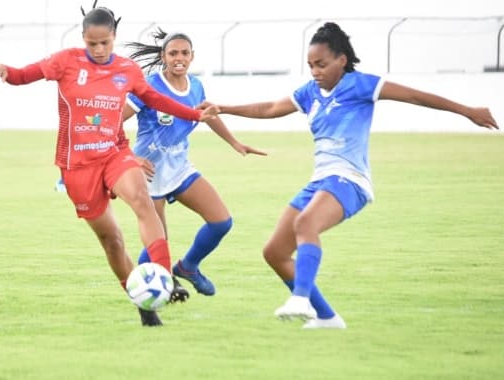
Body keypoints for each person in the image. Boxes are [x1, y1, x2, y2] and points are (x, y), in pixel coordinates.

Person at [205, 22, 499, 329]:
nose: (315, 71)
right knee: (274, 252)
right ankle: (328, 319)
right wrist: (224, 108)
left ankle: (301, 299)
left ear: (341, 60)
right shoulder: (310, 93)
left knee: (305, 223)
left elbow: (414, 97)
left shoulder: (360, 85)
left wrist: (467, 111)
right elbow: (271, 107)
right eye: (310, 65)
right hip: (320, 182)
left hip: (350, 181)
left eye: (321, 64)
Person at [0, 4, 220, 327]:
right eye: (92, 43)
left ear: (114, 38)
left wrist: (195, 114)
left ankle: (163, 277)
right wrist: (4, 69)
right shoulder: (65, 61)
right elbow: (25, 76)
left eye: (105, 43)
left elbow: (154, 99)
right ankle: (143, 303)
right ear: (83, 38)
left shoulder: (127, 70)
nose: (98, 49)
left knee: (141, 200)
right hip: (77, 166)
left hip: (114, 153)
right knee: (112, 241)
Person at [120, 28, 266, 295]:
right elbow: (113, 121)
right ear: (163, 56)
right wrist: (131, 157)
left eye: (184, 53)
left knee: (221, 221)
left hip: (180, 169)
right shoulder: (149, 86)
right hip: (149, 175)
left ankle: (188, 267)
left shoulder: (196, 86)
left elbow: (207, 115)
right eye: (173, 53)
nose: (179, 58)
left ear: (192, 56)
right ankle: (143, 290)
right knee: (158, 242)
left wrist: (235, 143)